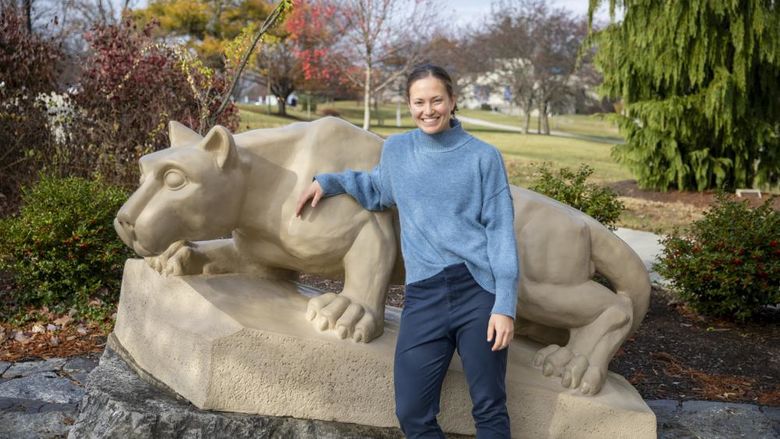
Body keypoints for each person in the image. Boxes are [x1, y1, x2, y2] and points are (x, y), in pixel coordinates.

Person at [295, 63, 519, 439]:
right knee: (412, 412)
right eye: (419, 102)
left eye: (436, 100)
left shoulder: (484, 157)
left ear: (452, 101)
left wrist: (504, 305)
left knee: (489, 406)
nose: (427, 110)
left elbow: (500, 231)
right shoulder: (398, 150)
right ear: (409, 104)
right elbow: (377, 188)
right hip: (424, 295)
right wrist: (328, 182)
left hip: (478, 291)